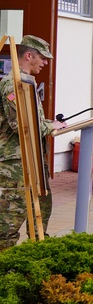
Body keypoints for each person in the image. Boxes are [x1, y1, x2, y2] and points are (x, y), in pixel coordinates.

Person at [0, 36, 66, 250]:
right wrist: (50, 127)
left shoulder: (27, 80)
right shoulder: (13, 83)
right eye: (43, 58)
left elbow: (32, 120)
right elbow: (21, 125)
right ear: (29, 55)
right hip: (15, 167)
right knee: (9, 225)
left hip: (32, 163)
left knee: (41, 212)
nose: (45, 63)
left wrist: (49, 123)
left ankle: (34, 257)